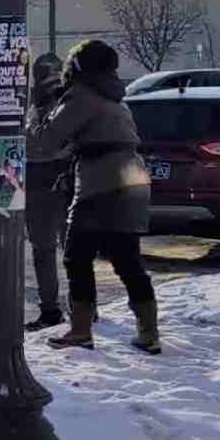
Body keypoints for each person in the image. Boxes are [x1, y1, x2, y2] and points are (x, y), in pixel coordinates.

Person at [40, 39, 160, 355]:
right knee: (127, 258)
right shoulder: (116, 97)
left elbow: (48, 141)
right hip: (132, 178)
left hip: (101, 182)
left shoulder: (81, 96)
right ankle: (149, 332)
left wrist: (46, 107)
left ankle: (80, 330)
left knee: (76, 256)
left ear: (78, 68)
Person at [24, 54, 71, 332]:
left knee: (71, 250)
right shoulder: (30, 105)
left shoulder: (69, 103)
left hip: (62, 180)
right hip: (37, 182)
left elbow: (49, 143)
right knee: (44, 250)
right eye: (45, 77)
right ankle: (51, 309)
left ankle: (82, 307)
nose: (50, 84)